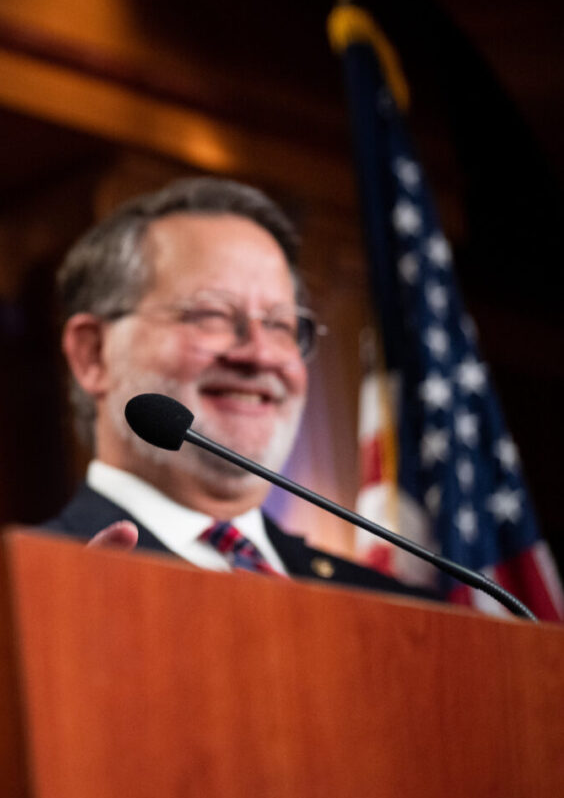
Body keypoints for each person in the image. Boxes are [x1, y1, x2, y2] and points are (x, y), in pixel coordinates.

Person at [41, 177, 427, 596]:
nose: (261, 354)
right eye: (210, 314)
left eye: (281, 324)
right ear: (93, 354)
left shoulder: (401, 610)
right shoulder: (32, 589)